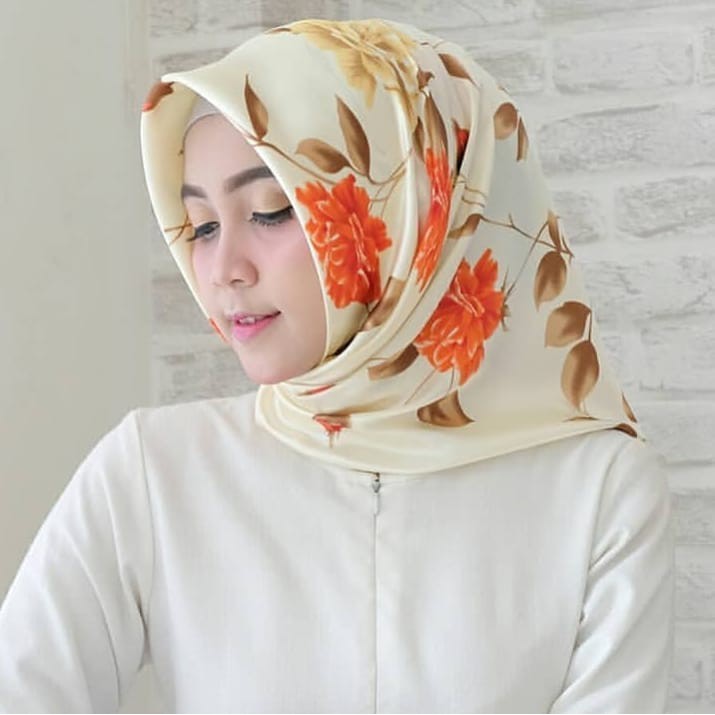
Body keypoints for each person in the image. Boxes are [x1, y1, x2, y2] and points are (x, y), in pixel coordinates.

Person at [0, 18, 673, 713]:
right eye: (201, 226)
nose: (223, 269)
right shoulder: (153, 472)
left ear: (412, 213)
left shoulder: (599, 490)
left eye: (270, 211)